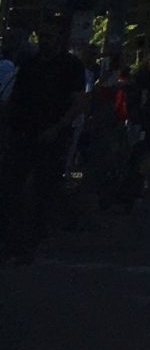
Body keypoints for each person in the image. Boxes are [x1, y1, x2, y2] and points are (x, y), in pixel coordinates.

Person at [1, 20, 87, 262]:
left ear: (60, 39)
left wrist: (59, 126)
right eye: (42, 36)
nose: (45, 41)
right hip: (23, 130)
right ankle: (13, 239)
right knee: (11, 184)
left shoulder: (71, 66)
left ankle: (31, 240)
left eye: (49, 36)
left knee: (41, 187)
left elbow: (78, 102)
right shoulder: (30, 64)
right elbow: (16, 98)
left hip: (52, 133)